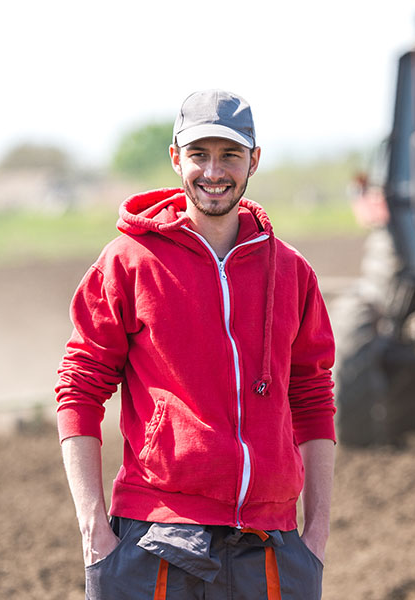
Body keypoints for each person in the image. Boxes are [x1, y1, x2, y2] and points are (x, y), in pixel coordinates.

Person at [56, 89, 336, 599]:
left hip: (270, 546)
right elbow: (79, 388)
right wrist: (93, 530)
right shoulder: (127, 262)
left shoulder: (292, 272)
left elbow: (313, 398)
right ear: (175, 158)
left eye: (230, 154)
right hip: (155, 539)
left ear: (254, 160)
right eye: (198, 154)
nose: (213, 171)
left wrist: (315, 535)